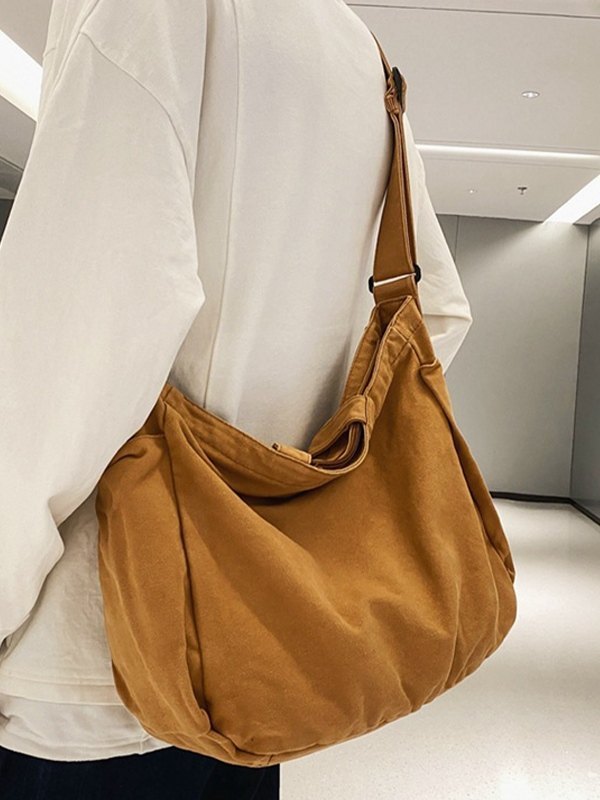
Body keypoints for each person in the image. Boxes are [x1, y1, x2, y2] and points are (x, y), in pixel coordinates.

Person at [0, 0, 473, 795]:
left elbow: (78, 342)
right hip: (264, 665)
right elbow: (440, 314)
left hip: (98, 670)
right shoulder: (360, 49)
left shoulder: (146, 12)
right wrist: (291, 492)